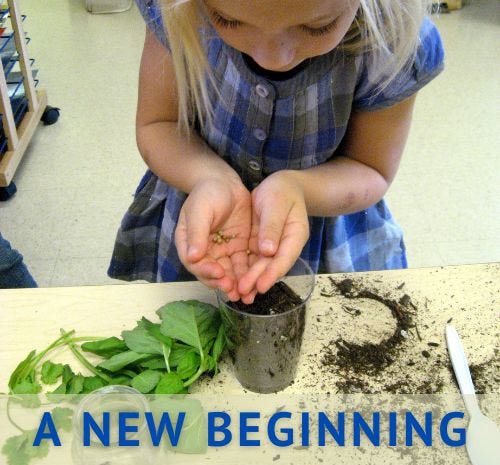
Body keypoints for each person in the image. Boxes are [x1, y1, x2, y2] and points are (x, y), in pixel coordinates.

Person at [108, 0, 444, 304]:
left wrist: (296, 189)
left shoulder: (392, 40)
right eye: (228, 20)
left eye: (317, 26)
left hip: (326, 228)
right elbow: (158, 125)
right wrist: (209, 178)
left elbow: (371, 169)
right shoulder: (176, 11)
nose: (272, 57)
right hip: (200, 210)